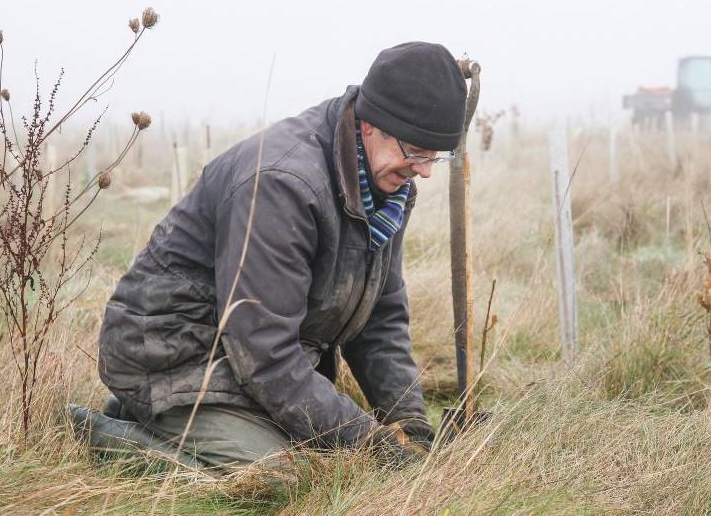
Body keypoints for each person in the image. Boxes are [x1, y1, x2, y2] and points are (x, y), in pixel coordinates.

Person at [95, 42, 467, 472]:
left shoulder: (388, 187)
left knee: (333, 453)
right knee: (289, 473)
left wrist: (408, 422)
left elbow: (380, 317)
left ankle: (165, 419)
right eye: (417, 152)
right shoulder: (282, 184)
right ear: (373, 125)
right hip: (171, 353)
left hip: (244, 357)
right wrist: (368, 440)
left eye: (436, 156)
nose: (424, 170)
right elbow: (265, 351)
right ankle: (104, 433)